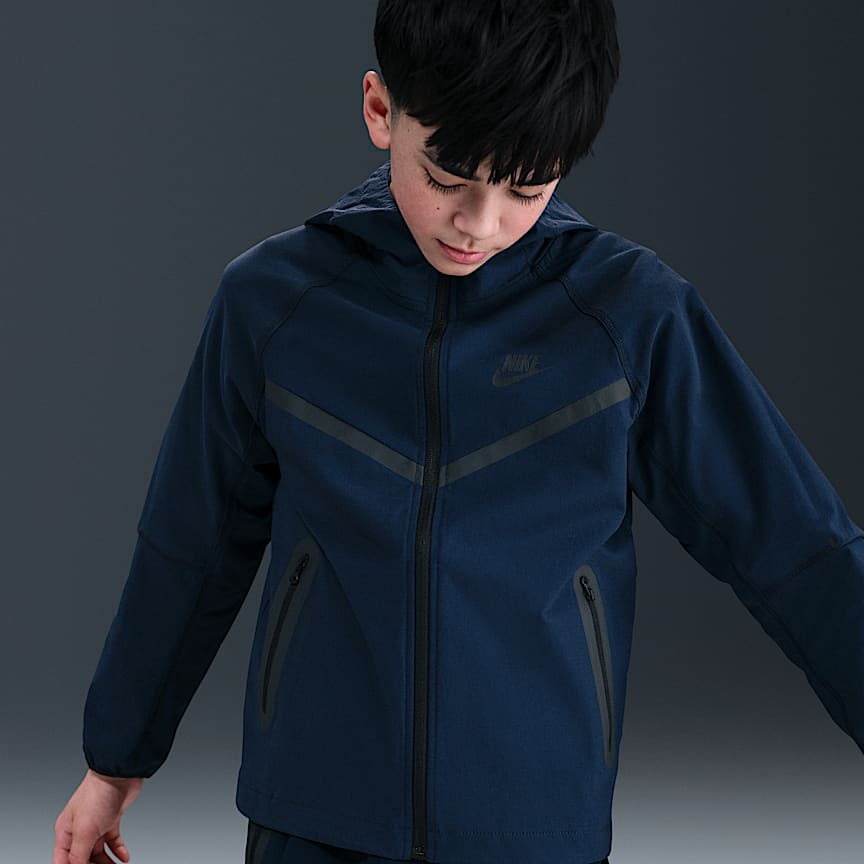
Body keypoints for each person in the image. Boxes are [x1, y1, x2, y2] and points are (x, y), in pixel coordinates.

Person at [54, 1, 863, 863]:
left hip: (535, 820)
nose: (479, 222)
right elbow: (191, 543)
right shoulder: (275, 302)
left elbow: (793, 545)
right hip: (313, 815)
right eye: (446, 178)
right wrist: (115, 758)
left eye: (527, 189)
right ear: (381, 110)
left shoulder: (629, 316)